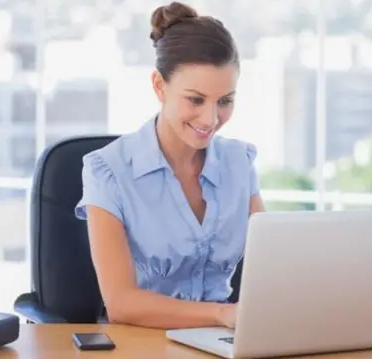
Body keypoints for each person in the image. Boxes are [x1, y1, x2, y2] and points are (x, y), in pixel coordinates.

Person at [74, 1, 265, 330]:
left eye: (225, 101)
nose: (211, 119)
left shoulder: (240, 163)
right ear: (159, 86)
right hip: (140, 344)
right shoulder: (107, 171)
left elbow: (271, 268)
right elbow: (121, 304)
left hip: (223, 342)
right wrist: (221, 314)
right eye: (195, 99)